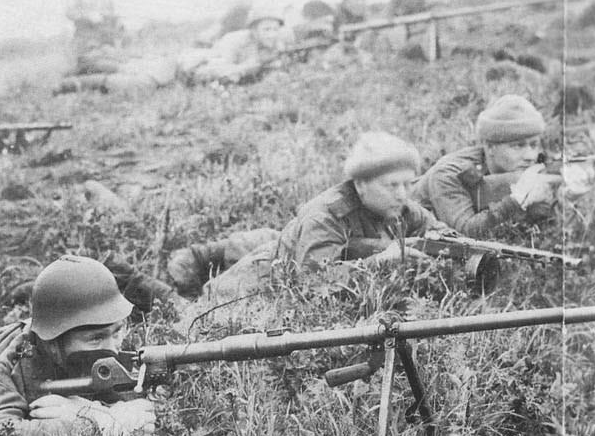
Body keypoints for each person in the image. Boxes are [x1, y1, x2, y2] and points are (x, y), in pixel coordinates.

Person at [175, 133, 449, 303]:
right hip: (252, 291)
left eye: (408, 184)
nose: (402, 194)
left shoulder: (400, 207)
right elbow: (314, 284)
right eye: (392, 185)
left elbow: (441, 234)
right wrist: (379, 261)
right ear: (361, 184)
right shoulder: (326, 216)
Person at [0, 256, 157, 436]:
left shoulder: (88, 348)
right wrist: (96, 425)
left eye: (117, 331)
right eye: (95, 339)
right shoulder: (0, 370)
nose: (113, 348)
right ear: (52, 343)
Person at [413, 95, 557, 236]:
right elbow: (463, 234)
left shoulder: (537, 165)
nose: (530, 156)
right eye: (518, 146)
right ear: (489, 147)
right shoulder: (448, 174)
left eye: (534, 145)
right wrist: (515, 200)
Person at [54, 9, 287, 95]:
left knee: (131, 67)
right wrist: (246, 68)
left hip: (187, 72)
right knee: (140, 83)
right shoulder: (235, 41)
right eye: (266, 29)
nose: (272, 34)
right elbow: (218, 69)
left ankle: (87, 64)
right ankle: (71, 83)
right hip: (184, 67)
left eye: (275, 29)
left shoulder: (273, 47)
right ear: (254, 31)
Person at [66, 0, 125, 75]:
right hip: (84, 41)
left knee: (110, 58)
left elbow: (115, 19)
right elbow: (70, 13)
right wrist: (87, 15)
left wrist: (107, 17)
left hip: (104, 42)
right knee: (88, 61)